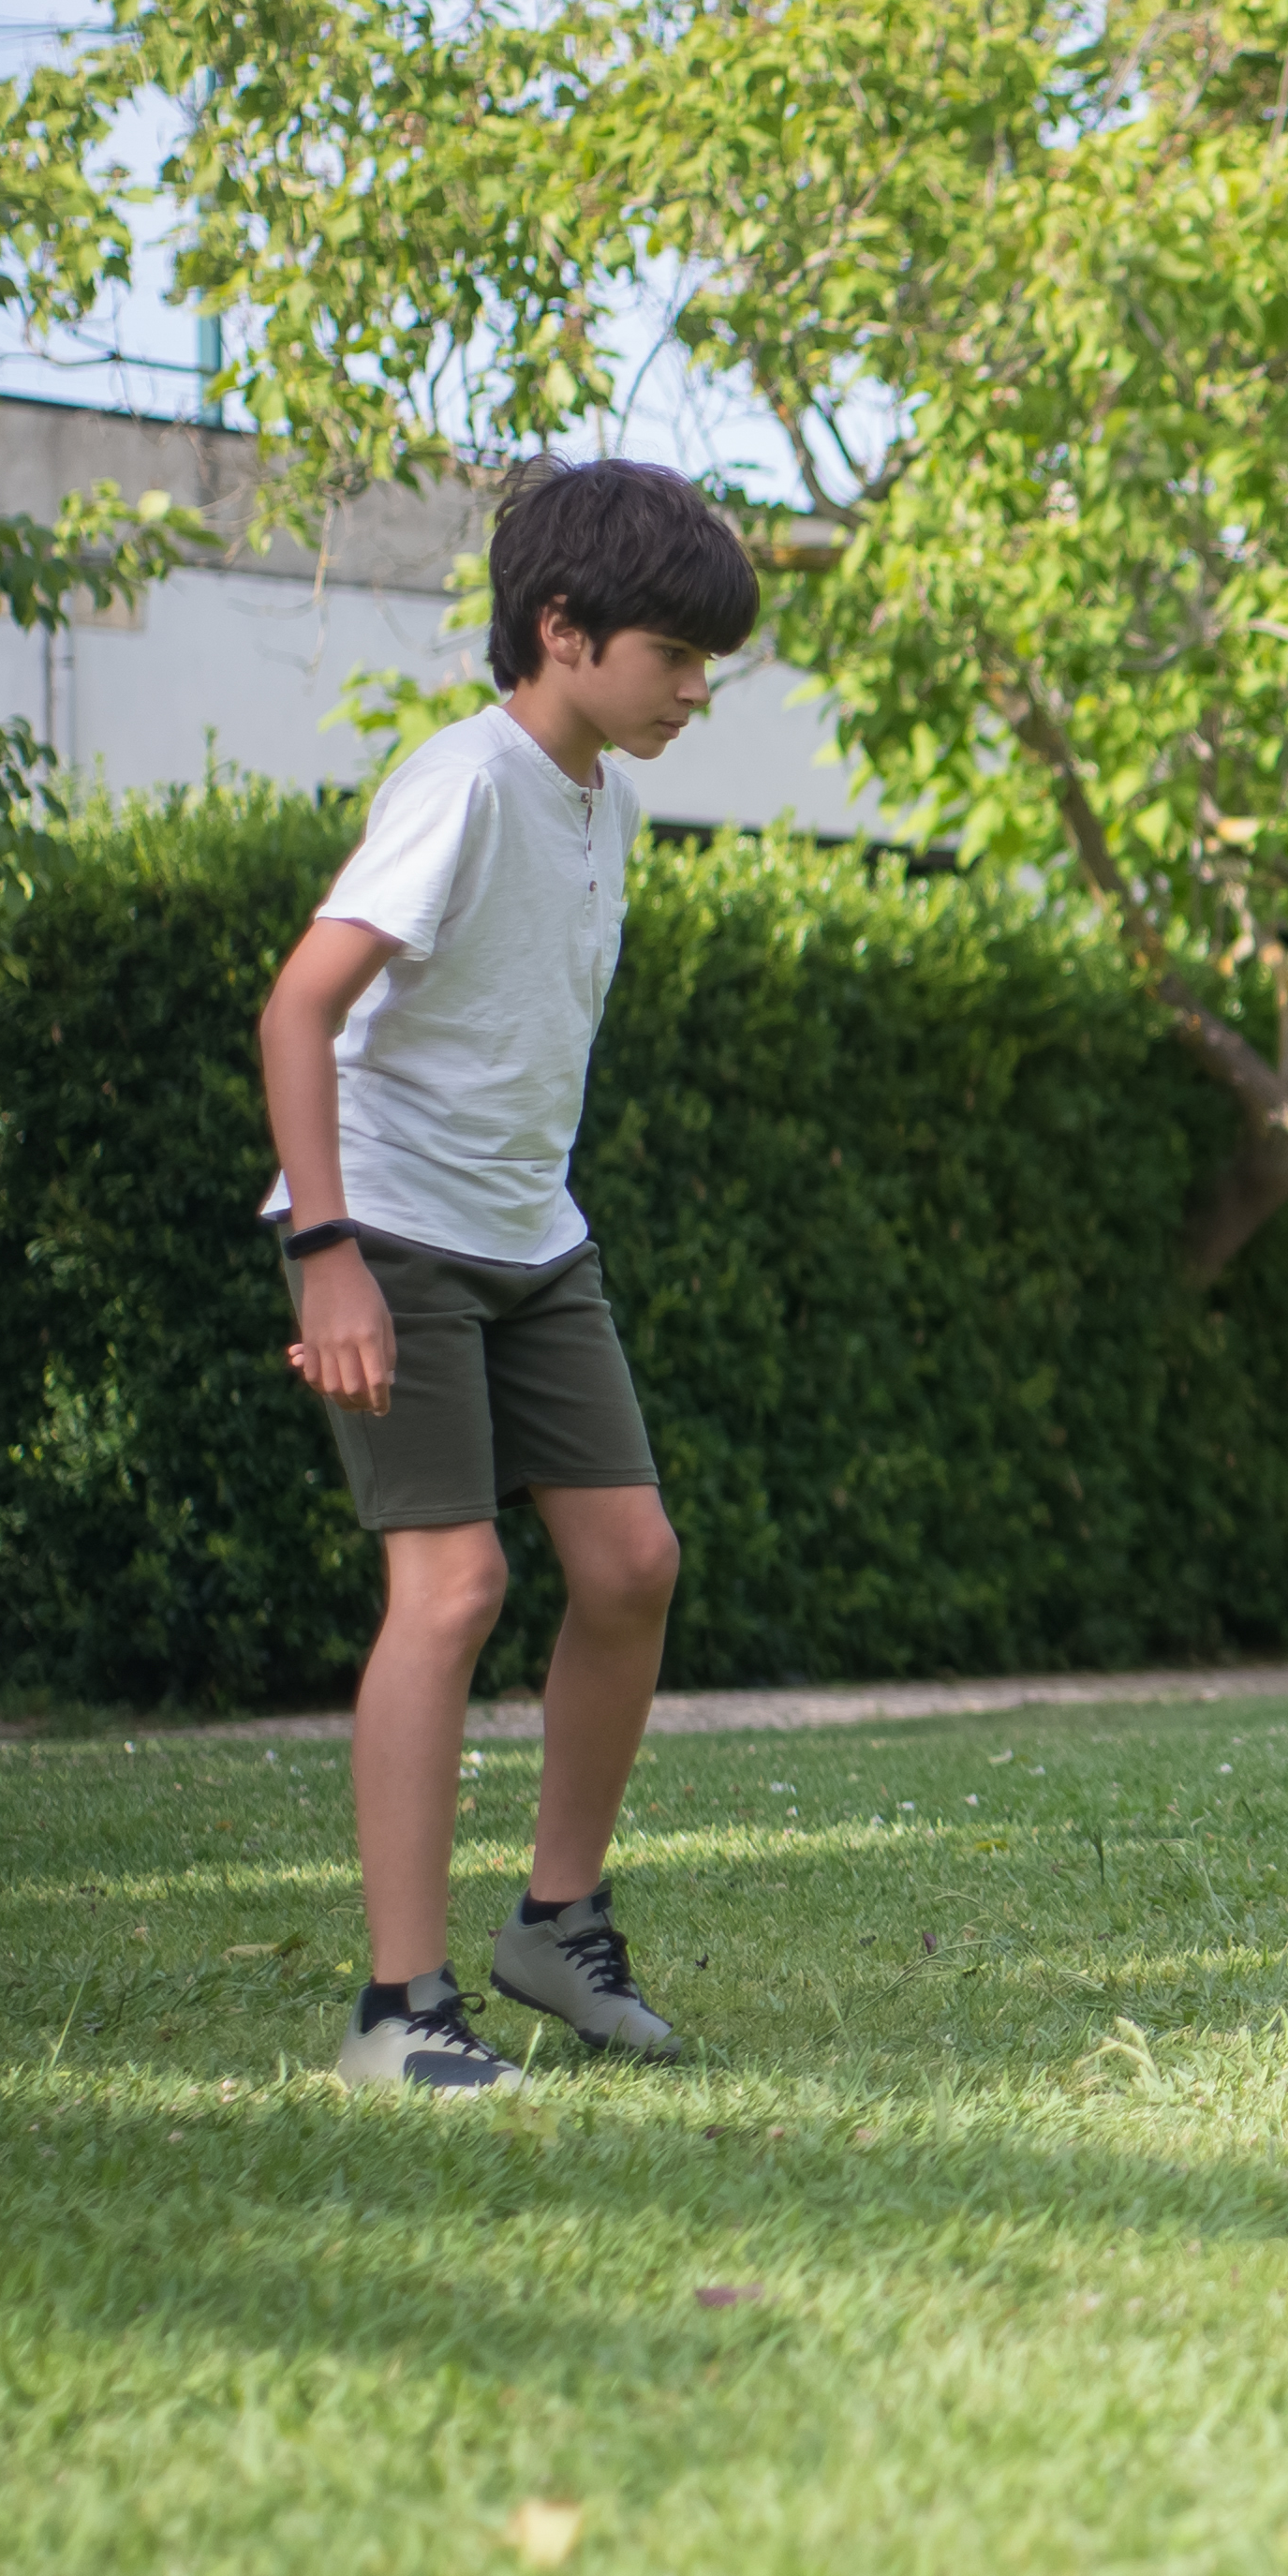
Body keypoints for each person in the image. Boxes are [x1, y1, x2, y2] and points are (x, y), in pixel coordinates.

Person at [259, 457, 760, 2093]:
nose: (696, 689)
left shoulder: (602, 793)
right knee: (455, 1588)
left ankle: (555, 1923)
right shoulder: (464, 783)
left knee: (630, 1566)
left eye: (706, 662)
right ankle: (397, 2011)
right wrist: (328, 1253)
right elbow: (300, 1012)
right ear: (562, 627)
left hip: (531, 1235)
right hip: (393, 1227)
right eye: (674, 656)